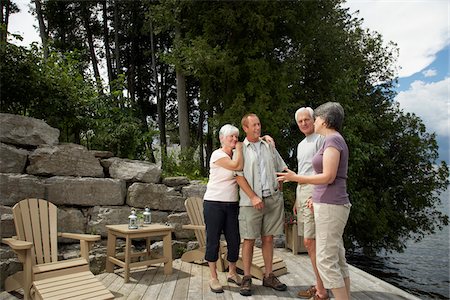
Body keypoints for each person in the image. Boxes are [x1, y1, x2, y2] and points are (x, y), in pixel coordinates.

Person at [277, 102, 351, 300]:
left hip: (330, 203)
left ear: (324, 121)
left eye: (314, 118)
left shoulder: (331, 140)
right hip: (324, 201)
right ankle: (328, 291)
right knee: (336, 258)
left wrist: (296, 179)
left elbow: (328, 176)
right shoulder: (328, 140)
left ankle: (322, 292)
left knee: (327, 260)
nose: (310, 122)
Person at [235, 113, 288, 296]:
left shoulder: (269, 146)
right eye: (254, 125)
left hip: (272, 200)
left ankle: (268, 275)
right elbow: (238, 176)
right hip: (250, 202)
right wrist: (253, 197)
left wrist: (279, 188)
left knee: (268, 238)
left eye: (259, 124)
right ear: (245, 128)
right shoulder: (240, 148)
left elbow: (282, 168)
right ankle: (247, 277)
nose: (257, 128)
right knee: (249, 239)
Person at [203, 124, 243, 293]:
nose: (235, 139)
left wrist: (265, 139)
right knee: (213, 241)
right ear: (222, 139)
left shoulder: (235, 154)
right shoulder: (217, 155)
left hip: (232, 204)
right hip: (213, 203)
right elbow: (236, 166)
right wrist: (240, 149)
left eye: (236, 137)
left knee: (234, 240)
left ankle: (232, 272)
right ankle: (213, 277)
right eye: (231, 137)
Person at [293, 107, 327, 299]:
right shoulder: (301, 144)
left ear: (313, 119)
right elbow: (302, 171)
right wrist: (297, 200)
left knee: (311, 241)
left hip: (314, 192)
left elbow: (322, 170)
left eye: (307, 119)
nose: (304, 123)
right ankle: (319, 284)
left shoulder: (321, 139)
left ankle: (321, 291)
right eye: (300, 121)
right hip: (302, 191)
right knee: (309, 242)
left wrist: (316, 195)